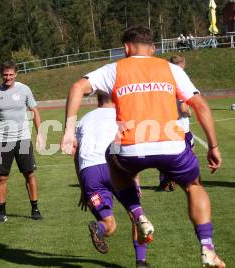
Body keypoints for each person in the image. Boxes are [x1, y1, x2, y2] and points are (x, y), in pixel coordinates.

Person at [61, 26, 225, 268]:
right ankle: (207, 248)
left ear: (126, 48)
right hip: (171, 145)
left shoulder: (116, 68)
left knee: (111, 160)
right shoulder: (169, 68)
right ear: (154, 48)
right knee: (194, 187)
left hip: (131, 148)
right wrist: (213, 145)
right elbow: (199, 105)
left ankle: (138, 214)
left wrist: (68, 132)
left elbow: (76, 87)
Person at [73, 93, 150, 268]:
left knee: (109, 225)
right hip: (114, 168)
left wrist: (82, 189)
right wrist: (135, 178)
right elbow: (132, 150)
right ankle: (141, 262)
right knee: (137, 218)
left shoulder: (84, 119)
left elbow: (76, 154)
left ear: (97, 100)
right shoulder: (122, 116)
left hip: (89, 173)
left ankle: (98, 229)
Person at [0, 61, 44, 222]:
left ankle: (35, 208)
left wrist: (40, 134)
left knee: (29, 174)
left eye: (11, 74)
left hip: (23, 138)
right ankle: (2, 212)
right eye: (5, 74)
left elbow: (35, 111)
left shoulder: (24, 89)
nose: (8, 77)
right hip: (3, 141)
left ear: (15, 74)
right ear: (1, 75)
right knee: (2, 178)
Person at [158, 55, 196, 192]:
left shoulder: (164, 81)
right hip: (181, 127)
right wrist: (189, 112)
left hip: (167, 125)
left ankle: (165, 180)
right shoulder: (180, 81)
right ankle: (184, 179)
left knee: (168, 154)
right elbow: (183, 108)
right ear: (183, 64)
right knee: (189, 152)